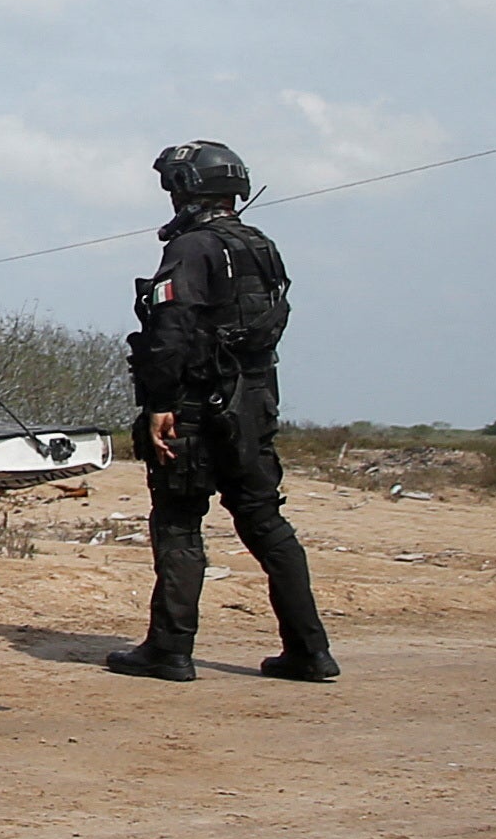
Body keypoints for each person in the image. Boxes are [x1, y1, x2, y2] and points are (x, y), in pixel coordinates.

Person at [109, 140, 339, 684]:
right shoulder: (260, 245)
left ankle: (169, 650)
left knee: (180, 524)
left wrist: (162, 404)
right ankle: (311, 651)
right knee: (266, 523)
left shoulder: (193, 250)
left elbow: (171, 331)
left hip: (196, 409)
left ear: (186, 189)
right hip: (253, 407)